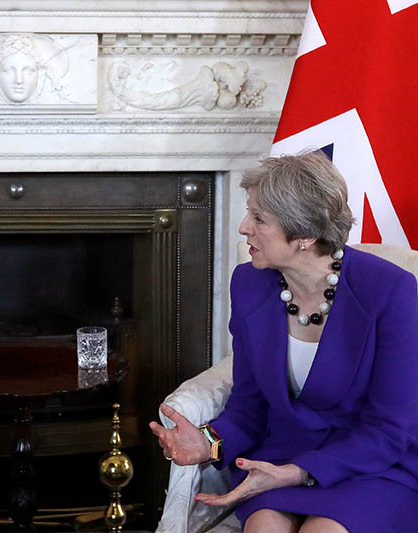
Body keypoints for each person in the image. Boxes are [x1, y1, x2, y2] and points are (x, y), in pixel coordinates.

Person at [150, 151, 418, 532]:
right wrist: (209, 443)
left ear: (305, 234)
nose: (243, 228)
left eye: (259, 219)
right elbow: (249, 404)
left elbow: (390, 427)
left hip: (372, 467)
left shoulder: (390, 290)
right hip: (278, 459)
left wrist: (298, 473)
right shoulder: (248, 284)